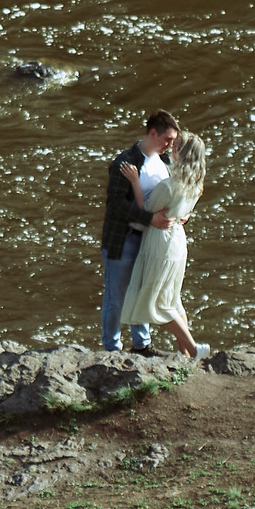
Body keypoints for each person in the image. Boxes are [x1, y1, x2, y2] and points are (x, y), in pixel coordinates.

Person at [120, 130, 209, 358]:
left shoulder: (170, 186)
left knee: (157, 304)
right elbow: (184, 212)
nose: (171, 149)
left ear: (183, 154)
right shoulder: (195, 185)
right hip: (178, 240)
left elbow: (145, 208)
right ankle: (187, 356)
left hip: (162, 243)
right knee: (172, 300)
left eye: (176, 147)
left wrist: (134, 182)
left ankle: (193, 349)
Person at [99, 111, 177, 353]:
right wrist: (149, 218)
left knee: (143, 292)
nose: (171, 145)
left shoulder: (166, 163)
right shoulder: (125, 162)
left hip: (149, 240)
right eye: (167, 139)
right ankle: (111, 349)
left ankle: (141, 345)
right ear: (153, 133)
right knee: (116, 298)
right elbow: (116, 205)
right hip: (124, 241)